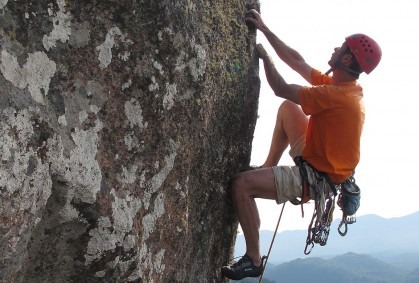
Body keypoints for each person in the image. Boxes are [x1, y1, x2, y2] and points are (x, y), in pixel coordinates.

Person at [221, 9, 382, 280]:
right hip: (317, 157)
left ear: (346, 57)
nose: (335, 48)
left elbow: (281, 87)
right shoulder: (342, 87)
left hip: (315, 178)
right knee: (289, 109)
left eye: (340, 47)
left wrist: (264, 58)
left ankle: (253, 258)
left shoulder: (337, 95)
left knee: (241, 185)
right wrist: (265, 29)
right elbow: (297, 61)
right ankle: (268, 166)